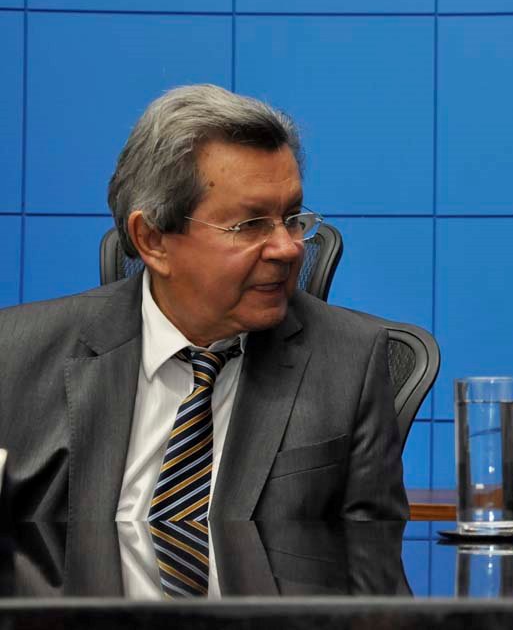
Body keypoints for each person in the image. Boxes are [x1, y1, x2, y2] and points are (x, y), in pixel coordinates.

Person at [0, 84, 407, 521]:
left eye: (292, 218)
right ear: (152, 240)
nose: (288, 248)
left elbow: (370, 555)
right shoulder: (15, 352)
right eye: (251, 224)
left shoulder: (351, 361)